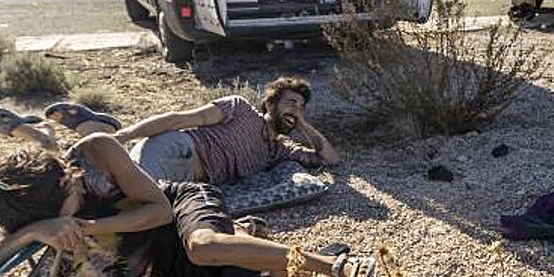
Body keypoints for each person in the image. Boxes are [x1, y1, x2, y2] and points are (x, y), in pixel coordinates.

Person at [0, 131, 373, 277]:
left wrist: (92, 226)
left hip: (176, 207)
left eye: (68, 196)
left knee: (205, 247)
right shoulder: (30, 215)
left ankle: (337, 265)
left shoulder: (97, 152)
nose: (71, 203)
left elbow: (159, 209)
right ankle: (252, 237)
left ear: (63, 177)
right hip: (160, 257)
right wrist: (33, 232)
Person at [41, 76, 341, 185]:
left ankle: (84, 133)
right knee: (106, 184)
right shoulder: (239, 108)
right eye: (290, 103)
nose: (295, 111)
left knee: (111, 188)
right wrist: (126, 136)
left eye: (301, 107)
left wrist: (302, 123)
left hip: (186, 180)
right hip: (177, 150)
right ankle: (88, 138)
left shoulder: (279, 151)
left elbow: (331, 160)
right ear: (271, 104)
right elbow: (177, 120)